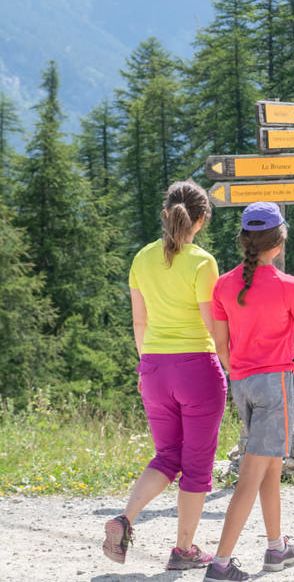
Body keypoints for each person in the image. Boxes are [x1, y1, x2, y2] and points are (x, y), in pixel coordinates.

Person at [205, 202, 294, 581]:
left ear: (245, 239)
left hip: (242, 384)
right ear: (278, 243)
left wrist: (238, 373)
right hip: (275, 383)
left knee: (270, 467)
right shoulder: (287, 285)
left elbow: (221, 344)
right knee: (252, 473)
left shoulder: (223, 285)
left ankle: (276, 547)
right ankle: (220, 563)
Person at [103, 179, 227, 571]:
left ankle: (125, 519)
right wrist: (232, 362)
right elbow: (212, 324)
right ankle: (184, 550)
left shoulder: (141, 259)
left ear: (165, 214)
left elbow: (139, 323)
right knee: (196, 464)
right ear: (201, 220)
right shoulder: (203, 262)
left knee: (166, 455)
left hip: (154, 368)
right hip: (197, 370)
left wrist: (145, 366)